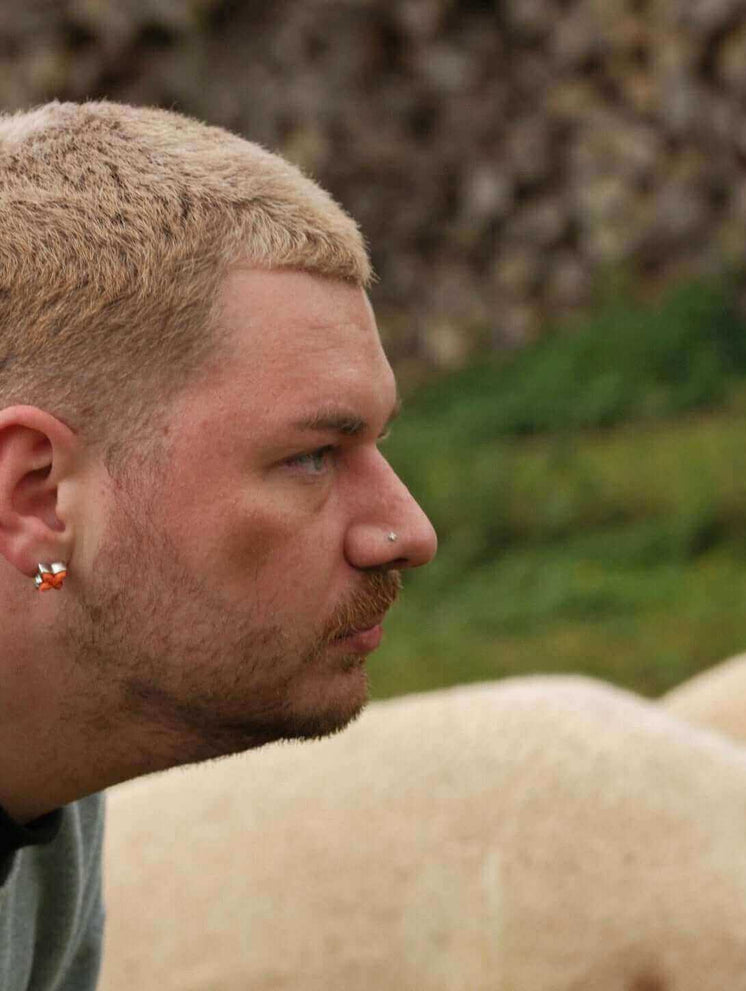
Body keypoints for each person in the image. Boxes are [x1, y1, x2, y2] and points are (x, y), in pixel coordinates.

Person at [0, 101, 439, 990]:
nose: (407, 533)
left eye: (374, 446)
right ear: (38, 494)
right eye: (311, 455)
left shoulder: (46, 778)